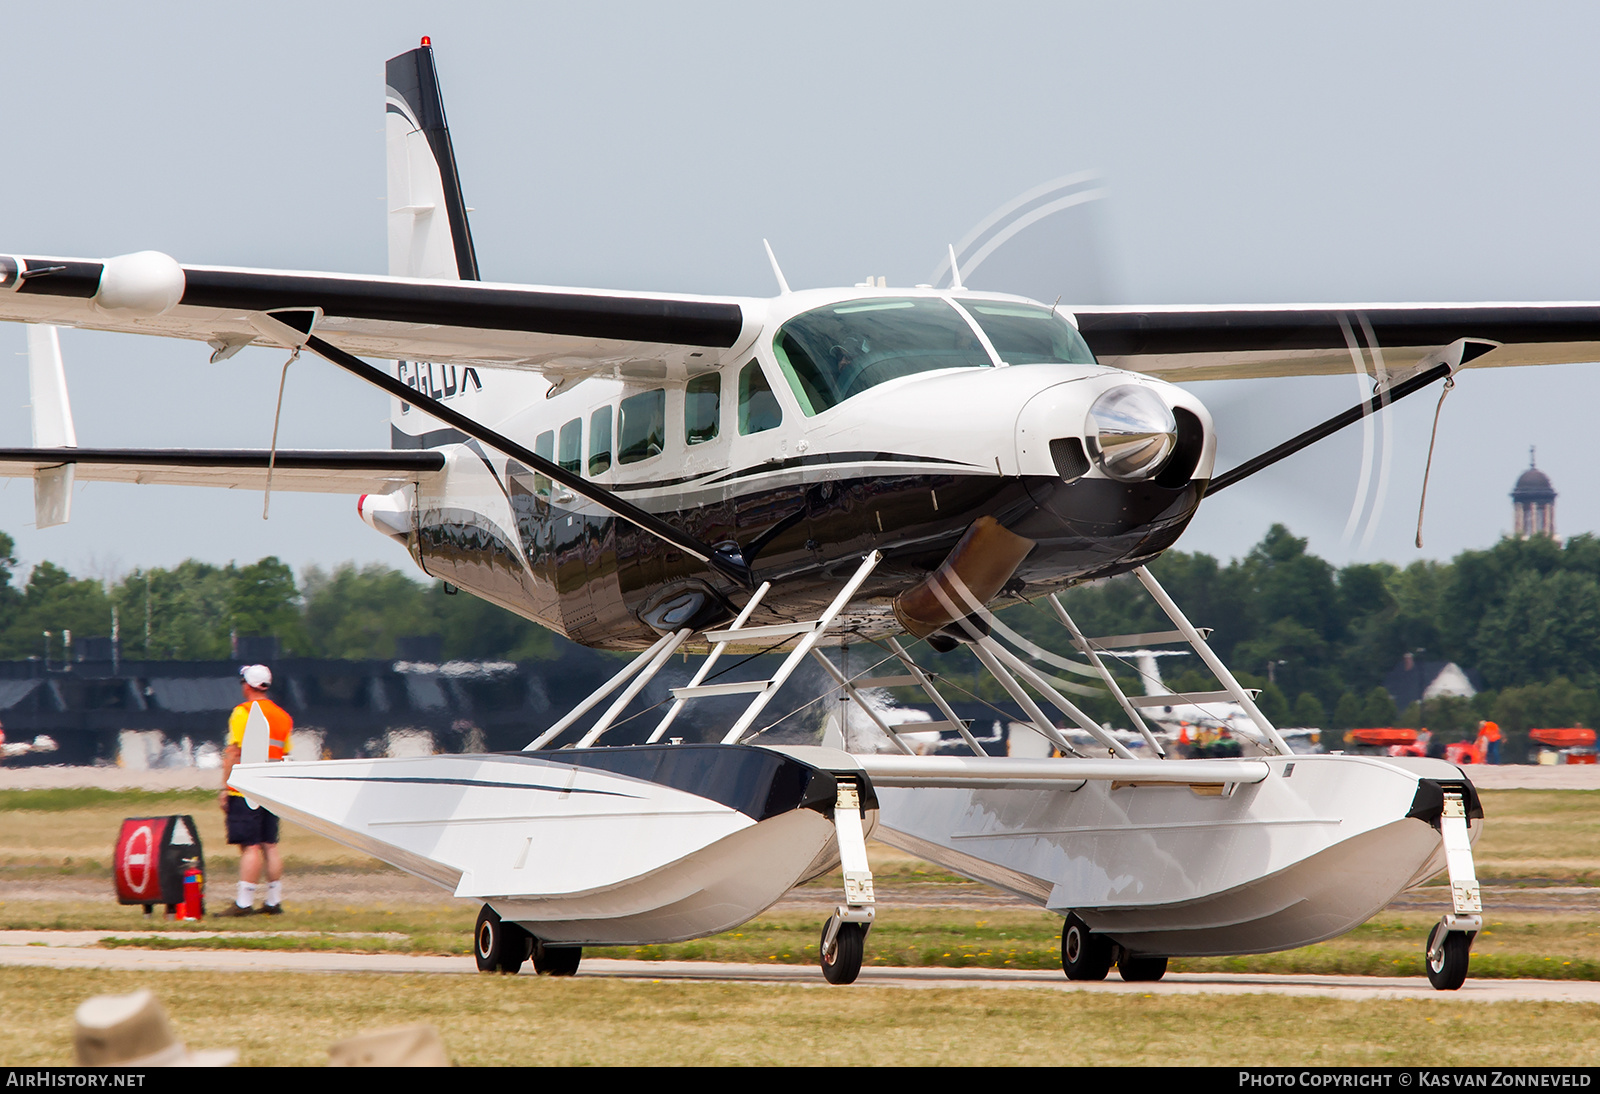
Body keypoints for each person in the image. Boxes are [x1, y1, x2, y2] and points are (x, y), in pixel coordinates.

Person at [218, 664, 292, 916]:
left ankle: (244, 903)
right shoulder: (283, 716)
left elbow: (233, 752)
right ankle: (273, 901)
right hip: (271, 787)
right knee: (269, 844)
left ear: (247, 686)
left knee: (250, 845)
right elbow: (285, 755)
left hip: (245, 788)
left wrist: (225, 787)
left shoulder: (242, 713)